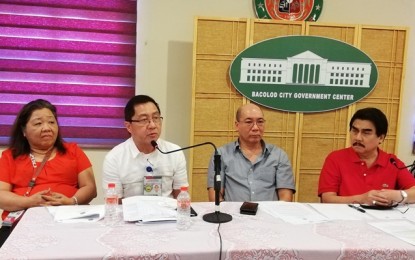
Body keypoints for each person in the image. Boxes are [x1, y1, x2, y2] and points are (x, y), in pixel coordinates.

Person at [0, 99, 97, 246]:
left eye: (51, 122)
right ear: (23, 130)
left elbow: (90, 188)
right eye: (38, 123)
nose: (47, 128)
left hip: (69, 222)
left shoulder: (73, 151)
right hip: (22, 225)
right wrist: (29, 202)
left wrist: (71, 201)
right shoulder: (10, 156)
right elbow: (1, 195)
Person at [318, 107, 415, 206]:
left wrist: (396, 195)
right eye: (355, 131)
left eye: (366, 133)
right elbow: (327, 199)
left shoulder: (392, 162)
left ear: (381, 138)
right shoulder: (336, 158)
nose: (358, 138)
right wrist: (362, 199)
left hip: (381, 219)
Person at [102, 95, 188, 199]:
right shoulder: (114, 158)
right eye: (144, 120)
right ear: (129, 126)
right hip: (131, 214)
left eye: (156, 118)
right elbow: (114, 204)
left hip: (167, 214)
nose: (152, 125)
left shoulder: (175, 152)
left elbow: (182, 196)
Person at [207, 103, 295, 202]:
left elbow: (285, 199)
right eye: (249, 122)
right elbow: (215, 196)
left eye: (260, 122)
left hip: (269, 216)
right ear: (237, 125)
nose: (256, 128)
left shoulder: (279, 156)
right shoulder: (221, 155)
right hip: (232, 215)